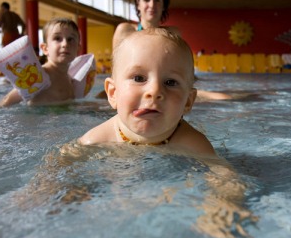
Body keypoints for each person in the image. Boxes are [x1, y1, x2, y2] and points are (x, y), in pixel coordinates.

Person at [79, 28, 216, 155]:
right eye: (139, 78)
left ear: (187, 101)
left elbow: (224, 176)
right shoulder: (96, 140)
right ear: (113, 93)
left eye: (170, 82)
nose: (154, 91)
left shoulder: (193, 144)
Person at [106, 0, 231, 101]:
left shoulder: (172, 34)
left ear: (164, 5)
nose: (152, 5)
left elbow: (178, 70)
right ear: (138, 4)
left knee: (225, 98)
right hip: (134, 88)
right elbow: (116, 72)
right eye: (146, 0)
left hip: (164, 88)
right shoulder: (126, 31)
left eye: (157, 0)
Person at [0, 17, 80, 107]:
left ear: (78, 48)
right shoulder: (40, 76)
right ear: (45, 49)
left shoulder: (69, 78)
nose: (65, 44)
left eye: (70, 39)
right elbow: (7, 100)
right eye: (57, 38)